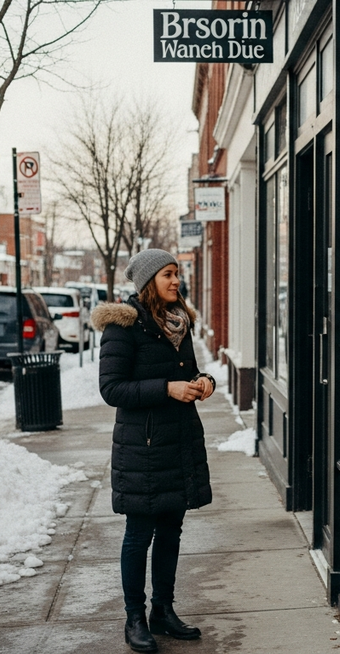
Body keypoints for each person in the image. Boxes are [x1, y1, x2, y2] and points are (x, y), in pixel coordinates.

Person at [92, 248, 216, 653]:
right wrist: (166, 389)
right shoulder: (123, 327)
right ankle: (135, 618)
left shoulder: (178, 323)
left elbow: (189, 372)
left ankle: (163, 610)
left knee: (171, 531)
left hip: (177, 442)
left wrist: (203, 382)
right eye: (167, 274)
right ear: (148, 281)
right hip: (142, 448)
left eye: (177, 273)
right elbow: (112, 389)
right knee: (139, 534)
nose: (176, 280)